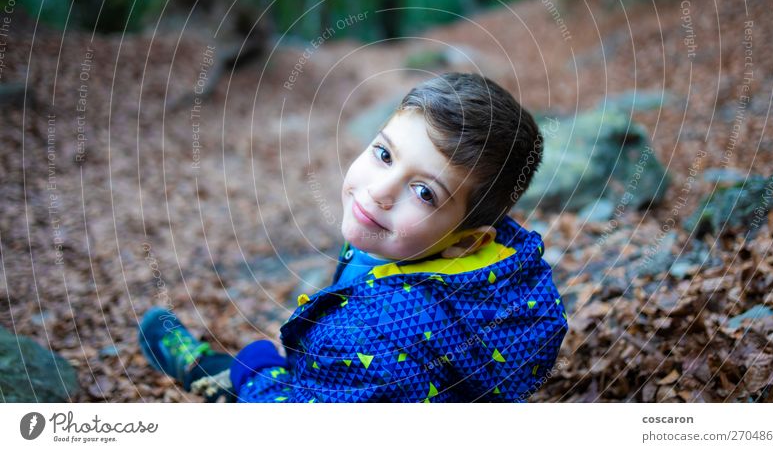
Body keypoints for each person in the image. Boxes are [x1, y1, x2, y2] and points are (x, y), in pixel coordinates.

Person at [138, 72, 568, 402]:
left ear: (466, 241)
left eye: (424, 193)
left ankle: (207, 376)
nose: (380, 192)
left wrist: (258, 373)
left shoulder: (367, 338)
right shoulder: (495, 263)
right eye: (385, 154)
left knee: (241, 377)